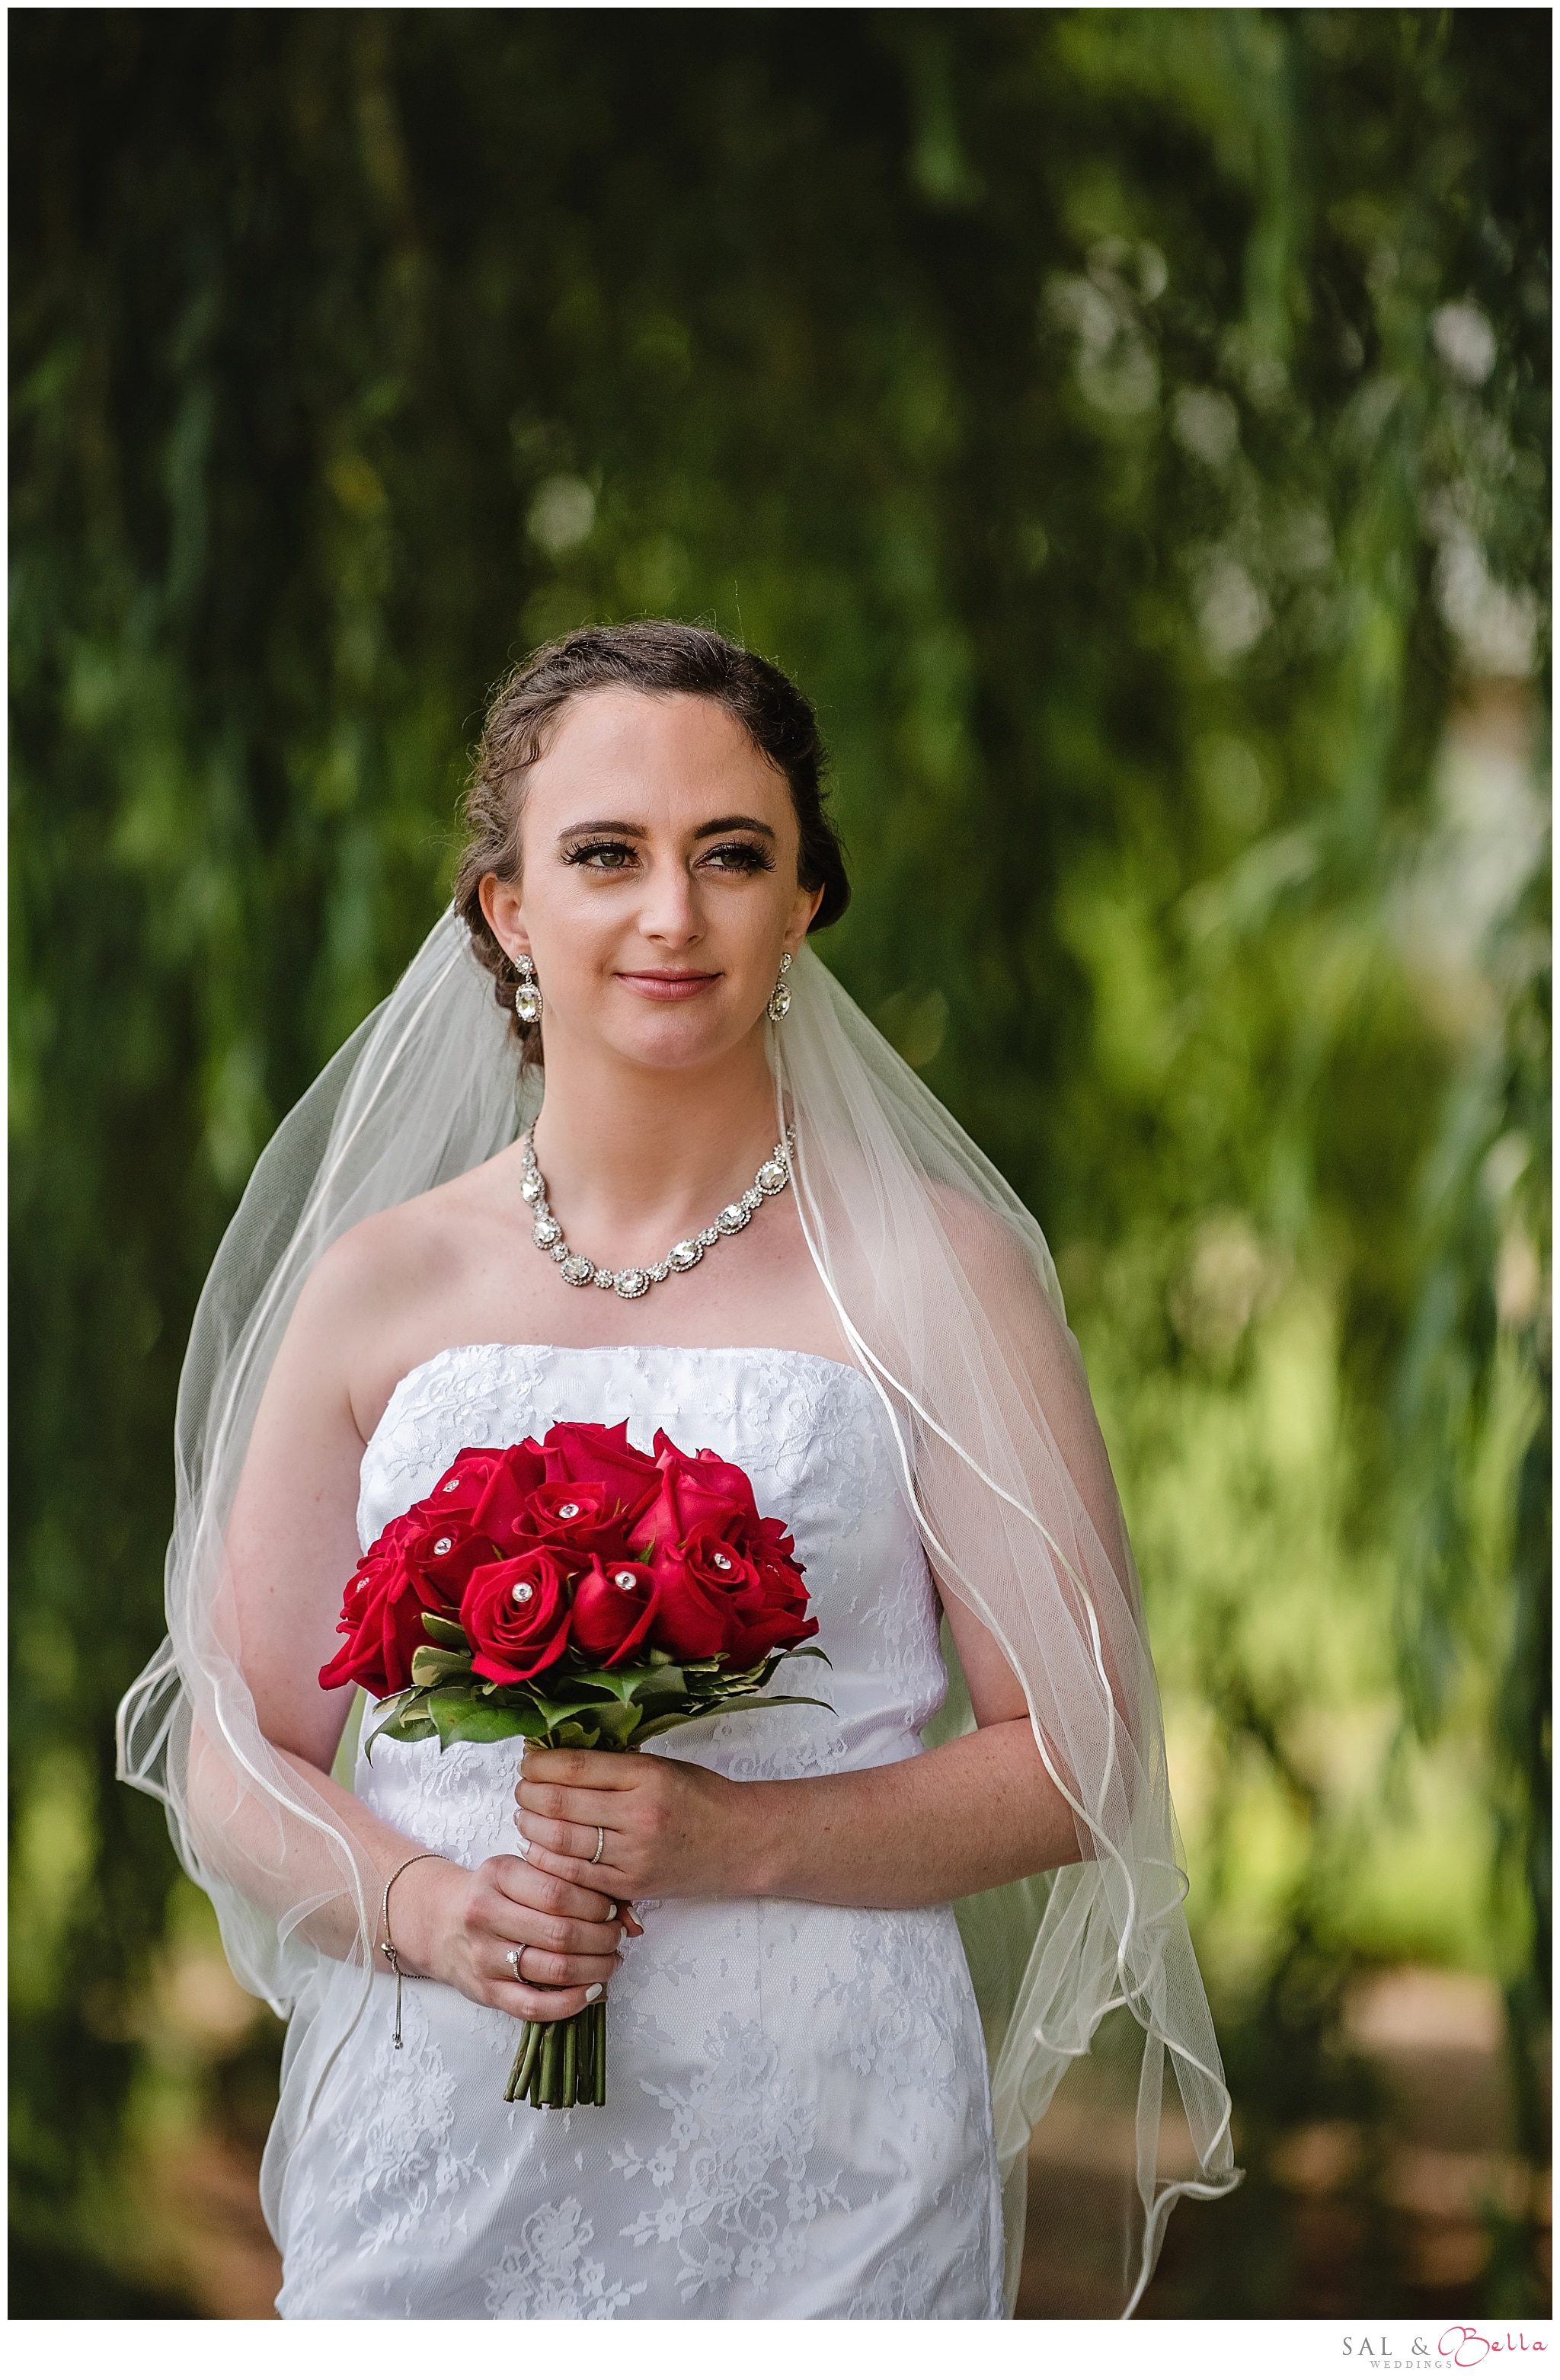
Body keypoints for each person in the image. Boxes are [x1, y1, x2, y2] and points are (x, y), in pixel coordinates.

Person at [117, 620, 1242, 2321]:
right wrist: (423, 1908)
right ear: (506, 907)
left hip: (826, 2147)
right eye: (603, 855)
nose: (671, 914)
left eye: (733, 856)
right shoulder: (380, 1285)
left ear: (802, 903)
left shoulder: (936, 1278)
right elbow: (233, 1749)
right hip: (436, 2123)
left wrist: (736, 1842)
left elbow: (1082, 1757)